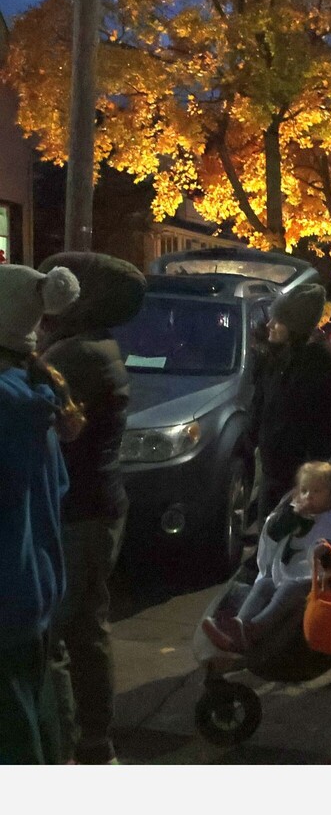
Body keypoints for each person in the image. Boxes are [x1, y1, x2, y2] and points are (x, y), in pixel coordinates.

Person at [37, 251, 146, 766]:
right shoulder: (94, 347)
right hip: (93, 505)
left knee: (55, 635)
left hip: (79, 510)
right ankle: (95, 744)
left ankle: (68, 753)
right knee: (85, 628)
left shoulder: (77, 355)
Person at [0, 262, 79, 764]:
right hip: (36, 586)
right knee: (34, 712)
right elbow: (58, 488)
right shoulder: (35, 395)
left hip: (5, 592)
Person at [201, 461, 331, 653]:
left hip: (323, 582)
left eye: (316, 491)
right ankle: (238, 625)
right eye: (304, 491)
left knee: (289, 588)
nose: (308, 497)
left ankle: (254, 629)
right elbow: (273, 534)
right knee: (265, 584)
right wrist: (290, 516)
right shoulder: (297, 513)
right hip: (294, 572)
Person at [248, 284, 331, 532]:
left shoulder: (322, 364)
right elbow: (263, 405)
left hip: (300, 482)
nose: (269, 325)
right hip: (274, 473)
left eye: (278, 320)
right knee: (269, 541)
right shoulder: (278, 356)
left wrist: (313, 470)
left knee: (291, 546)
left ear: (296, 326)